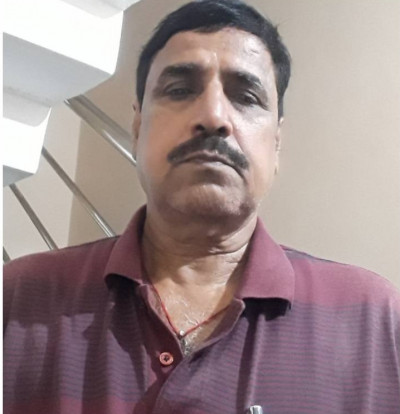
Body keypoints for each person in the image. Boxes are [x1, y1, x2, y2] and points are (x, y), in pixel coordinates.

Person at [3, 1, 400, 413]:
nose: (213, 116)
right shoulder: (18, 301)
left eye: (246, 96)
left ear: (277, 142)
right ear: (137, 126)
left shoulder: (372, 321)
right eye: (179, 90)